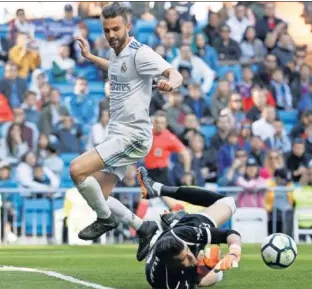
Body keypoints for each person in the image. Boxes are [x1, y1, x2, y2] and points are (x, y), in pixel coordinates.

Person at [70, 3, 183, 260]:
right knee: (99, 192)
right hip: (118, 133)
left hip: (133, 135)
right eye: (106, 30)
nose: (111, 35)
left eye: (116, 29)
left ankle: (105, 219)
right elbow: (114, 67)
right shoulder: (116, 54)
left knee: (77, 170)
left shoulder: (140, 53)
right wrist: (90, 58)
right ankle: (143, 227)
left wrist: (171, 84)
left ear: (128, 27)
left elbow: (173, 72)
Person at [137, 167, 242, 288]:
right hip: (169, 245)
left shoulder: (183, 237)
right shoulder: (173, 283)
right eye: (185, 257)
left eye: (187, 251)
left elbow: (229, 233)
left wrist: (234, 252)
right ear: (174, 268)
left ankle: (159, 191)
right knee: (206, 279)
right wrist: (210, 267)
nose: (191, 256)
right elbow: (196, 279)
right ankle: (171, 216)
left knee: (229, 202)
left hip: (183, 230)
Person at [145, 110, 191, 185]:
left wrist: (187, 172)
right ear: (154, 122)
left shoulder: (169, 138)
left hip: (162, 172)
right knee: (145, 196)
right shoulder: (148, 134)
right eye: (157, 122)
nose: (159, 125)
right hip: (149, 171)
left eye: (162, 123)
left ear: (166, 124)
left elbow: (185, 154)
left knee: (165, 195)